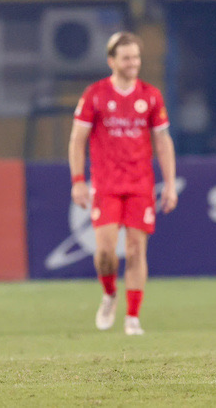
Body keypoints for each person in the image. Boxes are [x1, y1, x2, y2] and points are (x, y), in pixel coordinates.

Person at [68, 32, 178, 336]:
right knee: (104, 252)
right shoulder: (95, 94)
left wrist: (169, 184)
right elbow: (77, 139)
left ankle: (132, 317)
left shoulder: (151, 96)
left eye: (136, 57)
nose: (133, 63)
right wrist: (78, 181)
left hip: (141, 184)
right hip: (105, 184)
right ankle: (109, 294)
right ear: (112, 61)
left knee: (135, 250)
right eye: (127, 58)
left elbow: (163, 141)